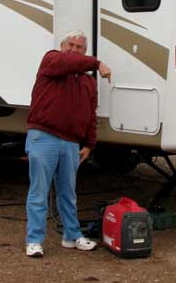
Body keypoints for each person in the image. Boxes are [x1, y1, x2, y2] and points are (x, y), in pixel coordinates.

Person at [25, 30, 112, 257]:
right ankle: (34, 240)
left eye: (79, 47)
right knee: (39, 191)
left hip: (71, 142)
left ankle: (72, 236)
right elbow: (66, 61)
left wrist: (89, 144)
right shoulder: (51, 60)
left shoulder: (88, 82)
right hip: (43, 136)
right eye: (70, 45)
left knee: (68, 193)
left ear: (84, 51)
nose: (74, 50)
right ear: (62, 46)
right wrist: (98, 62)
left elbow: (90, 114)